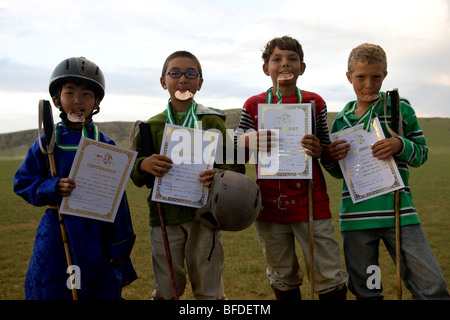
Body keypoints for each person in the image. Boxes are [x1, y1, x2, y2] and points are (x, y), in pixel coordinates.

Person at [323, 43, 450, 300]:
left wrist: (400, 144)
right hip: (357, 221)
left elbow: (422, 153)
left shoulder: (398, 107)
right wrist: (330, 158)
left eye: (376, 77)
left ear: (385, 75)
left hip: (399, 215)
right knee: (368, 292)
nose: (368, 84)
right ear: (349, 77)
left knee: (432, 288)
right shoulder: (341, 120)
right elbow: (339, 173)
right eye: (361, 77)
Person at [13, 57, 137, 300]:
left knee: (96, 290)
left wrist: (121, 240)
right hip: (57, 233)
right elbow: (22, 182)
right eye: (70, 92)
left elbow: (117, 197)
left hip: (96, 234)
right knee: (54, 289)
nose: (78, 100)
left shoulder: (105, 143)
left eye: (87, 94)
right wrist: (52, 186)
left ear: (97, 102)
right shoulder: (45, 143)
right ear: (57, 100)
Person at [234, 36, 348, 300]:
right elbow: (235, 149)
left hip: (311, 202)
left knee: (328, 273)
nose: (285, 63)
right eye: (277, 59)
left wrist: (321, 150)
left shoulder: (314, 102)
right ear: (266, 68)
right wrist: (248, 139)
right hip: (269, 205)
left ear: (302, 67)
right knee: (282, 273)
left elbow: (326, 151)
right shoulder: (253, 104)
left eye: (292, 59)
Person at [130, 50, 245, 300]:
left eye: (191, 74)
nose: (183, 79)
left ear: (200, 83)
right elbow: (135, 176)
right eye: (175, 73)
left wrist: (218, 175)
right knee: (167, 288)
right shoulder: (151, 126)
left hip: (205, 216)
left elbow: (236, 167)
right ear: (164, 82)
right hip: (164, 218)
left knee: (208, 287)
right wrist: (143, 164)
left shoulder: (214, 122)